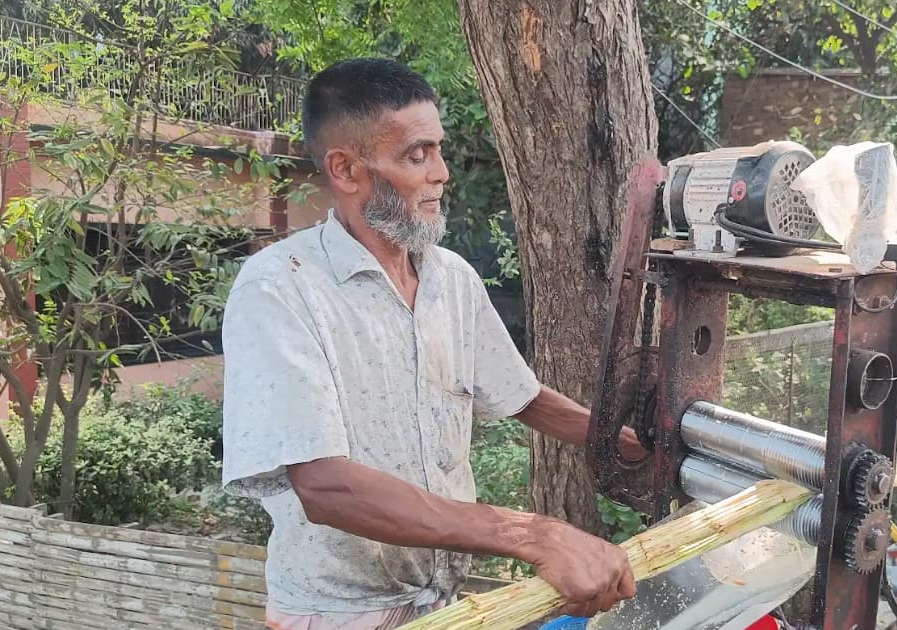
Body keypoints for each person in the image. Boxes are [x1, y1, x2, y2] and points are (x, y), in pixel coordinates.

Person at [220, 57, 647, 630]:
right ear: (346, 170)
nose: (441, 172)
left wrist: (631, 445)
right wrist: (535, 535)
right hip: (337, 614)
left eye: (438, 150)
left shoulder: (451, 278)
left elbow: (523, 397)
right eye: (416, 155)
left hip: (445, 605)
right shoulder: (282, 287)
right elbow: (325, 487)